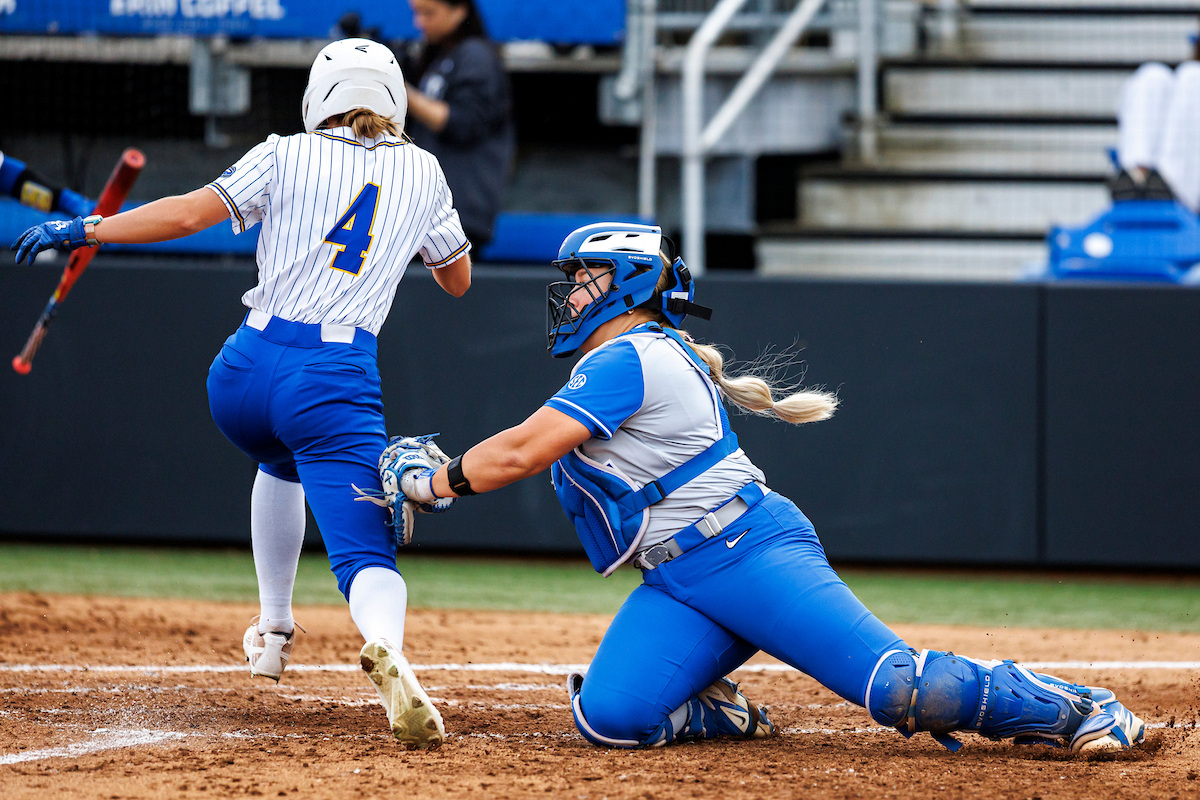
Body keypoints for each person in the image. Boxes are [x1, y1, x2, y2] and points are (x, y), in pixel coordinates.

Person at [386, 221, 1147, 752]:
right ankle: (718, 712)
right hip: (681, 577)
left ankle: (1077, 710)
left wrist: (429, 484)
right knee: (611, 720)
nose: (572, 294)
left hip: (751, 554)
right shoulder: (640, 355)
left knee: (897, 691)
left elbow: (519, 452)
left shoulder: (632, 357)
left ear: (628, 285)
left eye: (584, 279)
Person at [11, 38, 471, 750]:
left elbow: (189, 213)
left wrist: (86, 227)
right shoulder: (426, 172)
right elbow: (457, 280)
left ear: (320, 97)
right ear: (396, 100)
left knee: (278, 459)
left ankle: (274, 633)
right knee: (364, 553)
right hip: (333, 377)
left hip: (243, 371)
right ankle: (388, 648)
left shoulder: (283, 150)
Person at [402, 0, 514, 249]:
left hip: (458, 211)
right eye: (416, 13)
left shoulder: (476, 55)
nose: (419, 22)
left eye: (428, 13)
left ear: (459, 11)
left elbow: (463, 124)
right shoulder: (442, 56)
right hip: (432, 211)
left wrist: (400, 89)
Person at [1113, 33, 1200, 209]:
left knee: (1193, 77)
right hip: (1154, 186)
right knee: (1152, 76)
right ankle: (1136, 177)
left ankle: (1169, 191)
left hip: (1187, 201)